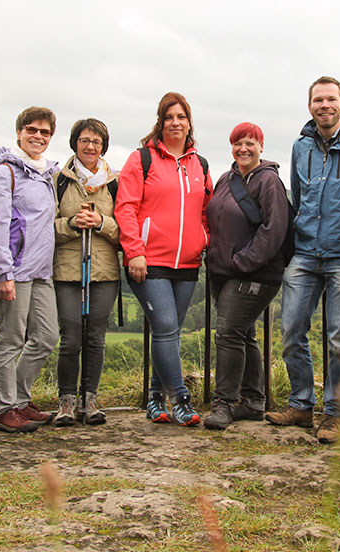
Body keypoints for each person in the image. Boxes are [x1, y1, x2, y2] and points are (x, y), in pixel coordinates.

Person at [265, 76, 340, 444]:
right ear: (310, 105)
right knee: (292, 330)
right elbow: (298, 190)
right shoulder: (301, 145)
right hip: (306, 251)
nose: (324, 105)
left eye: (331, 99)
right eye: (318, 100)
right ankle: (301, 404)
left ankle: (337, 414)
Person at [114, 92, 212, 427]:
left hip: (187, 264)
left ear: (189, 122)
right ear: (160, 121)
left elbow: (205, 211)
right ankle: (181, 400)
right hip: (148, 261)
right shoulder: (141, 159)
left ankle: (155, 399)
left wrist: (205, 239)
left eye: (181, 117)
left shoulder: (200, 165)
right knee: (167, 328)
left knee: (167, 332)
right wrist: (135, 252)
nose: (175, 122)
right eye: (169, 117)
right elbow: (125, 208)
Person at [203, 122, 289, 430]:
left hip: (256, 273)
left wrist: (243, 262)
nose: (244, 148)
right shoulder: (226, 179)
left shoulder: (269, 182)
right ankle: (253, 401)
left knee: (227, 333)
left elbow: (274, 230)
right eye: (238, 142)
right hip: (222, 271)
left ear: (261, 146)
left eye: (250, 143)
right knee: (243, 334)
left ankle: (224, 403)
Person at [0, 107, 60, 433]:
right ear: (19, 132)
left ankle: (19, 398)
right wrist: (3, 272)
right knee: (10, 339)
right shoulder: (5, 172)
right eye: (32, 130)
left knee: (46, 336)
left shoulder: (44, 173)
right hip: (14, 270)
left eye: (44, 132)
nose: (38, 137)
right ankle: (5, 408)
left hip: (42, 270)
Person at [53, 118, 120, 426]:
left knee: (95, 337)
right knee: (70, 339)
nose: (90, 146)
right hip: (67, 270)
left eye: (96, 141)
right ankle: (66, 400)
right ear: (74, 144)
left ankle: (89, 399)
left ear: (103, 146)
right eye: (84, 141)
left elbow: (127, 231)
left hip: (104, 271)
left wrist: (101, 224)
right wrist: (70, 225)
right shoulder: (58, 180)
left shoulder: (116, 182)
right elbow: (44, 228)